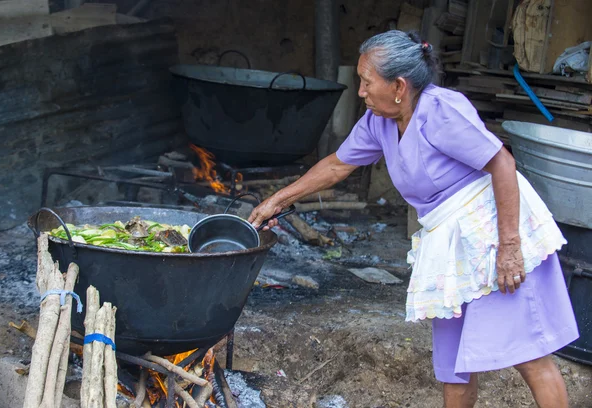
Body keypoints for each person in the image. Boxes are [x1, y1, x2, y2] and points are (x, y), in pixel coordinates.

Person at [248, 30, 579, 407]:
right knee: (452, 364)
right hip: (449, 243)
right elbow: (338, 165)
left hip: (491, 231)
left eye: (367, 82)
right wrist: (277, 200)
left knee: (529, 355)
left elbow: (502, 163)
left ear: (399, 86)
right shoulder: (380, 121)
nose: (360, 91)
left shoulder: (441, 112)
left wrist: (509, 247)